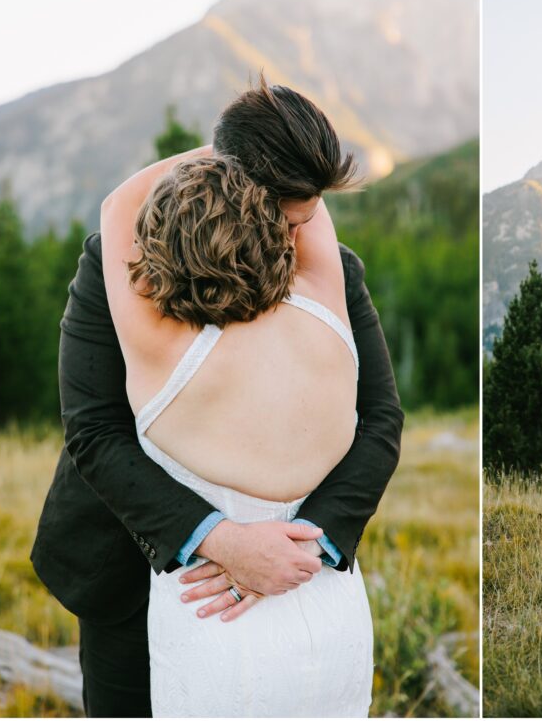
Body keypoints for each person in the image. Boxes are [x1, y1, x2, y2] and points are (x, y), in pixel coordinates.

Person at [31, 80, 403, 717]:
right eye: (287, 220)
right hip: (130, 562)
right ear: (241, 195)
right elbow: (93, 430)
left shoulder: (334, 270)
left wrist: (304, 541)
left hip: (296, 578)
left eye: (307, 222)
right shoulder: (117, 266)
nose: (295, 241)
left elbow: (383, 418)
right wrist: (220, 541)